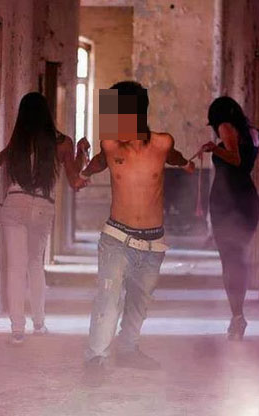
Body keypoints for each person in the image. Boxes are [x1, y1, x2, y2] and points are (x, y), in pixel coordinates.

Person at [77, 81, 194, 384]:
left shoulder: (162, 143)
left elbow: (174, 155)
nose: (113, 123)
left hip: (152, 242)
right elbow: (99, 162)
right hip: (116, 237)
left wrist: (186, 164)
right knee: (108, 299)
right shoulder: (110, 145)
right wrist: (84, 171)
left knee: (139, 301)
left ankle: (128, 349)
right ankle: (96, 358)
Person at [0, 92, 89, 344]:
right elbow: (74, 179)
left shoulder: (18, 142)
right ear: (47, 114)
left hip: (14, 203)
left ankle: (17, 330)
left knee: (15, 268)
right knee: (34, 264)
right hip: (42, 206)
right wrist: (81, 152)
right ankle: (39, 323)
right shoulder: (62, 143)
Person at [197, 96, 259, 341]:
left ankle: (237, 316)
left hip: (226, 203)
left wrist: (214, 148)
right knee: (238, 257)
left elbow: (235, 159)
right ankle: (237, 316)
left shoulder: (224, 127)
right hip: (248, 201)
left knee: (229, 260)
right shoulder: (256, 135)